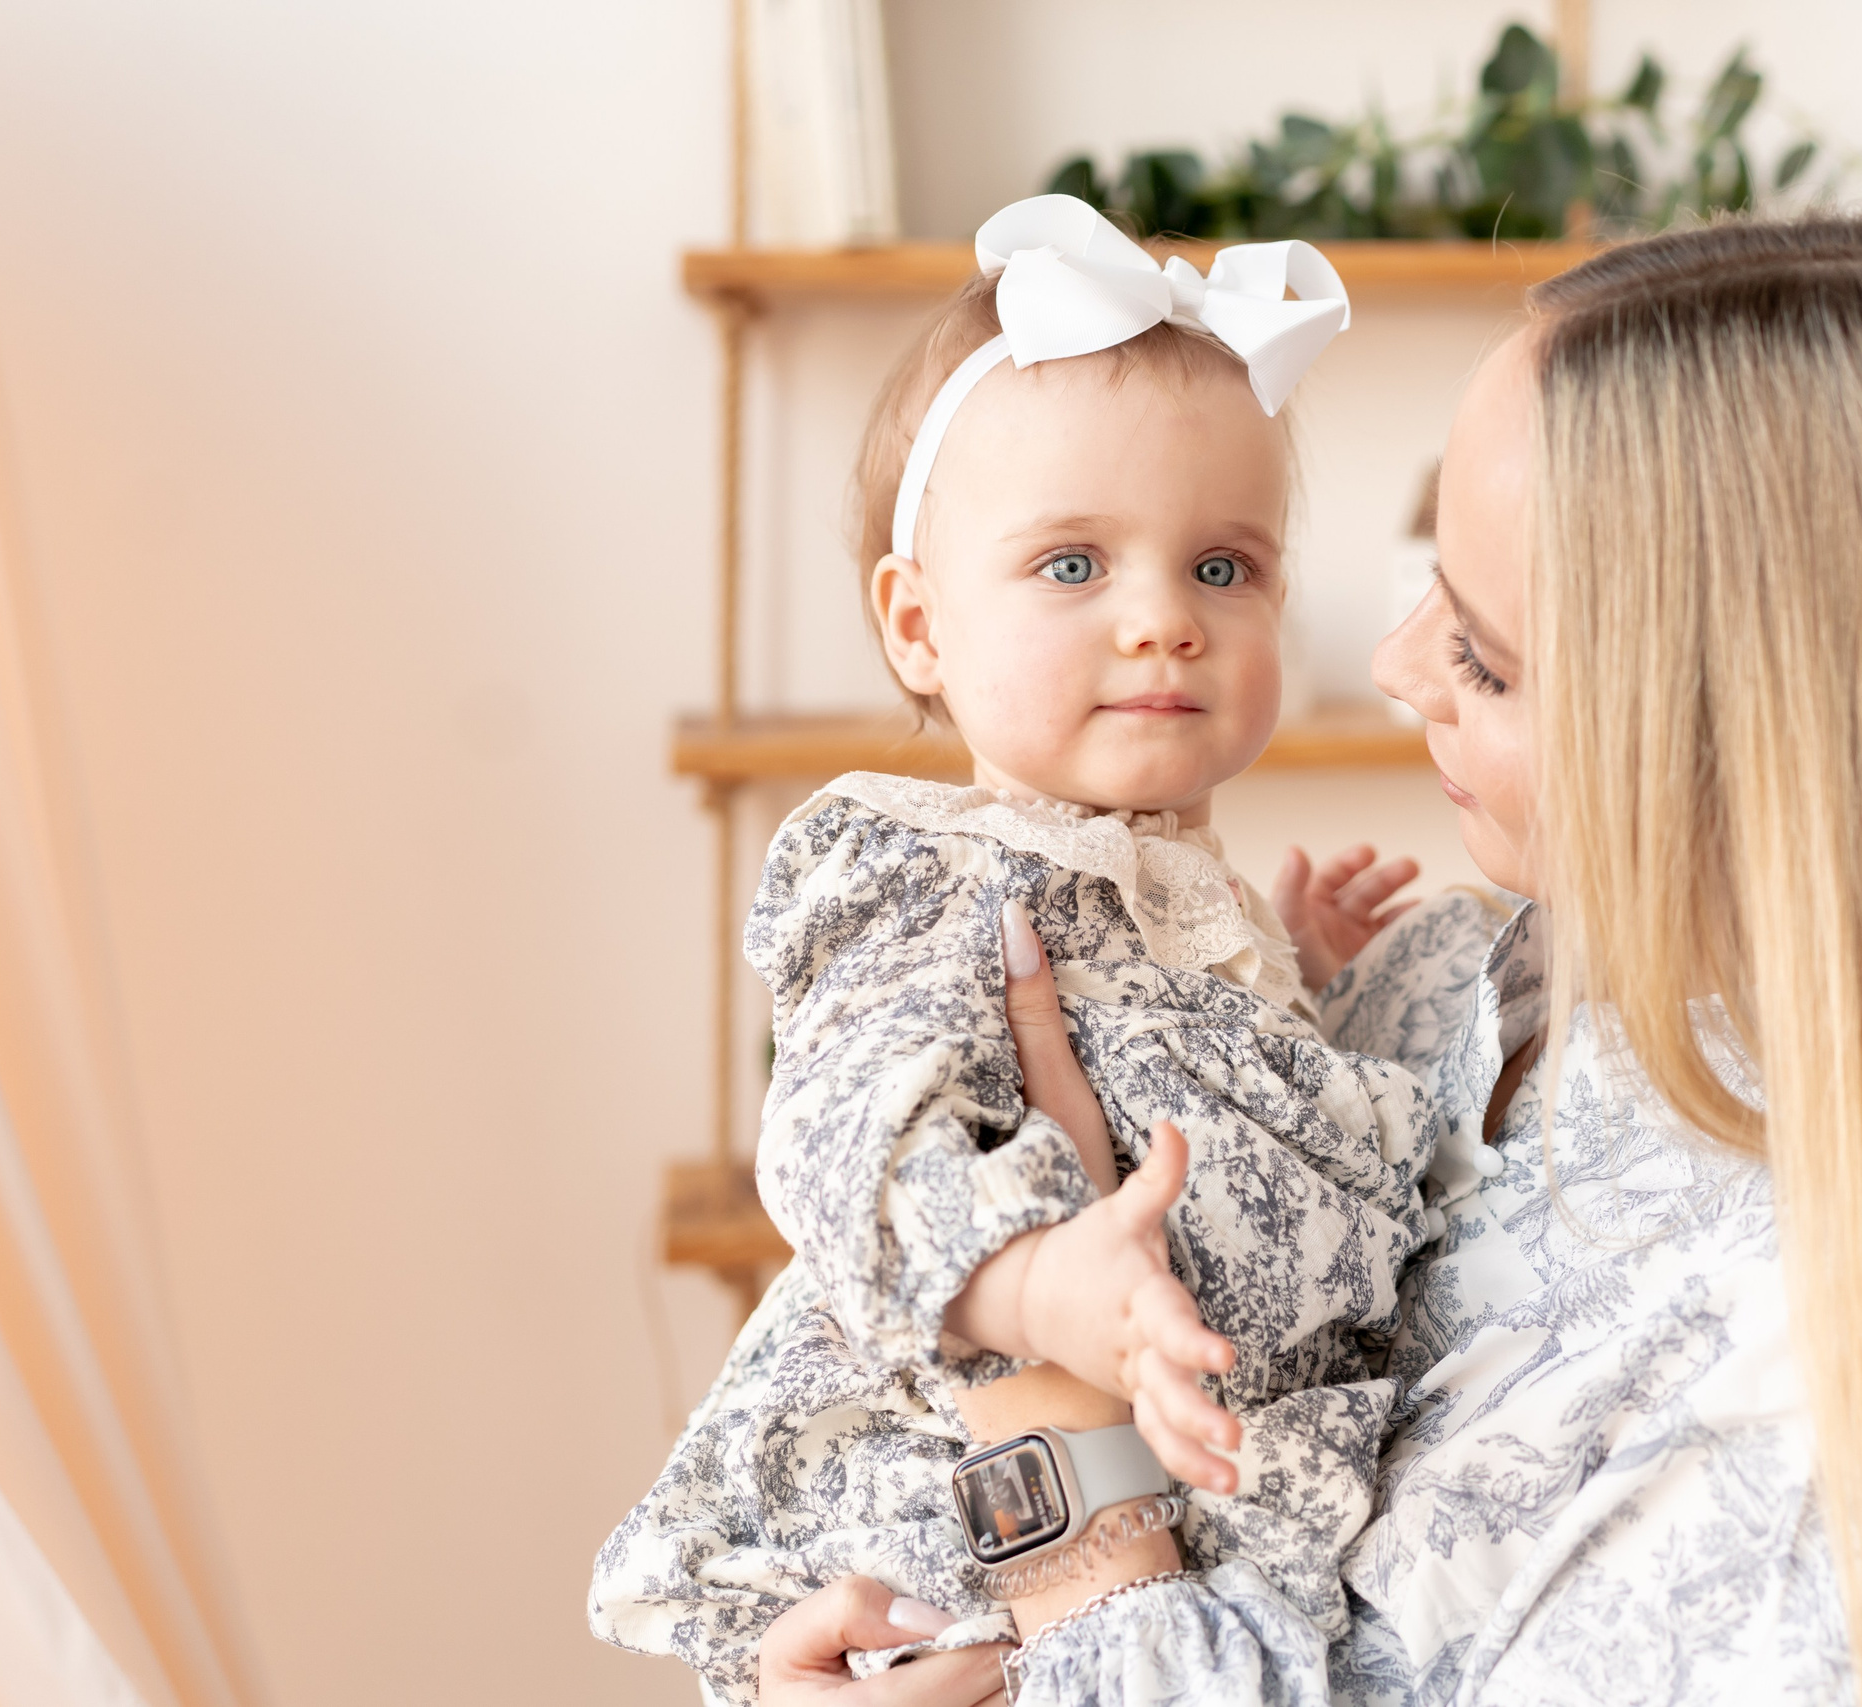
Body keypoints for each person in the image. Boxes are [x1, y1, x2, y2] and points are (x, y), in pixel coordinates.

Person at [749, 209, 1862, 1707]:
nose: (1396, 667)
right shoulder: (1434, 985)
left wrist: (1059, 1458)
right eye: (1425, 588)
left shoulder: (1819, 1388)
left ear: (1767, 745)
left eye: (1481, 652)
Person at [592, 194, 1485, 1706]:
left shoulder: (1182, 905)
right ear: (918, 626)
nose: (1163, 621)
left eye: (1223, 568)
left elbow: (1188, 1108)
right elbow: (841, 1135)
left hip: (1189, 1548)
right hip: (957, 1518)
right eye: (1074, 566)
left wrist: (1298, 984)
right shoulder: (928, 874)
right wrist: (1028, 1284)